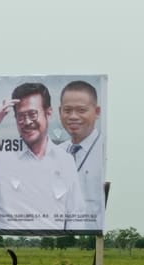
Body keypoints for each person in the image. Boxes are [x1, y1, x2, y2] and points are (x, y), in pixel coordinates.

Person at [0, 82, 88, 231]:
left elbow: (75, 214)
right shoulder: (1, 155)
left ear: (48, 113)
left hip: (49, 249)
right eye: (21, 116)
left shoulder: (65, 161)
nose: (27, 122)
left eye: (32, 114)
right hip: (3, 248)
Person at [58, 80, 105, 230]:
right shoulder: (56, 152)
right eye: (67, 110)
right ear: (60, 111)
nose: (73, 116)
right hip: (59, 236)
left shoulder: (105, 151)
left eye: (81, 110)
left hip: (91, 236)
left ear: (97, 112)